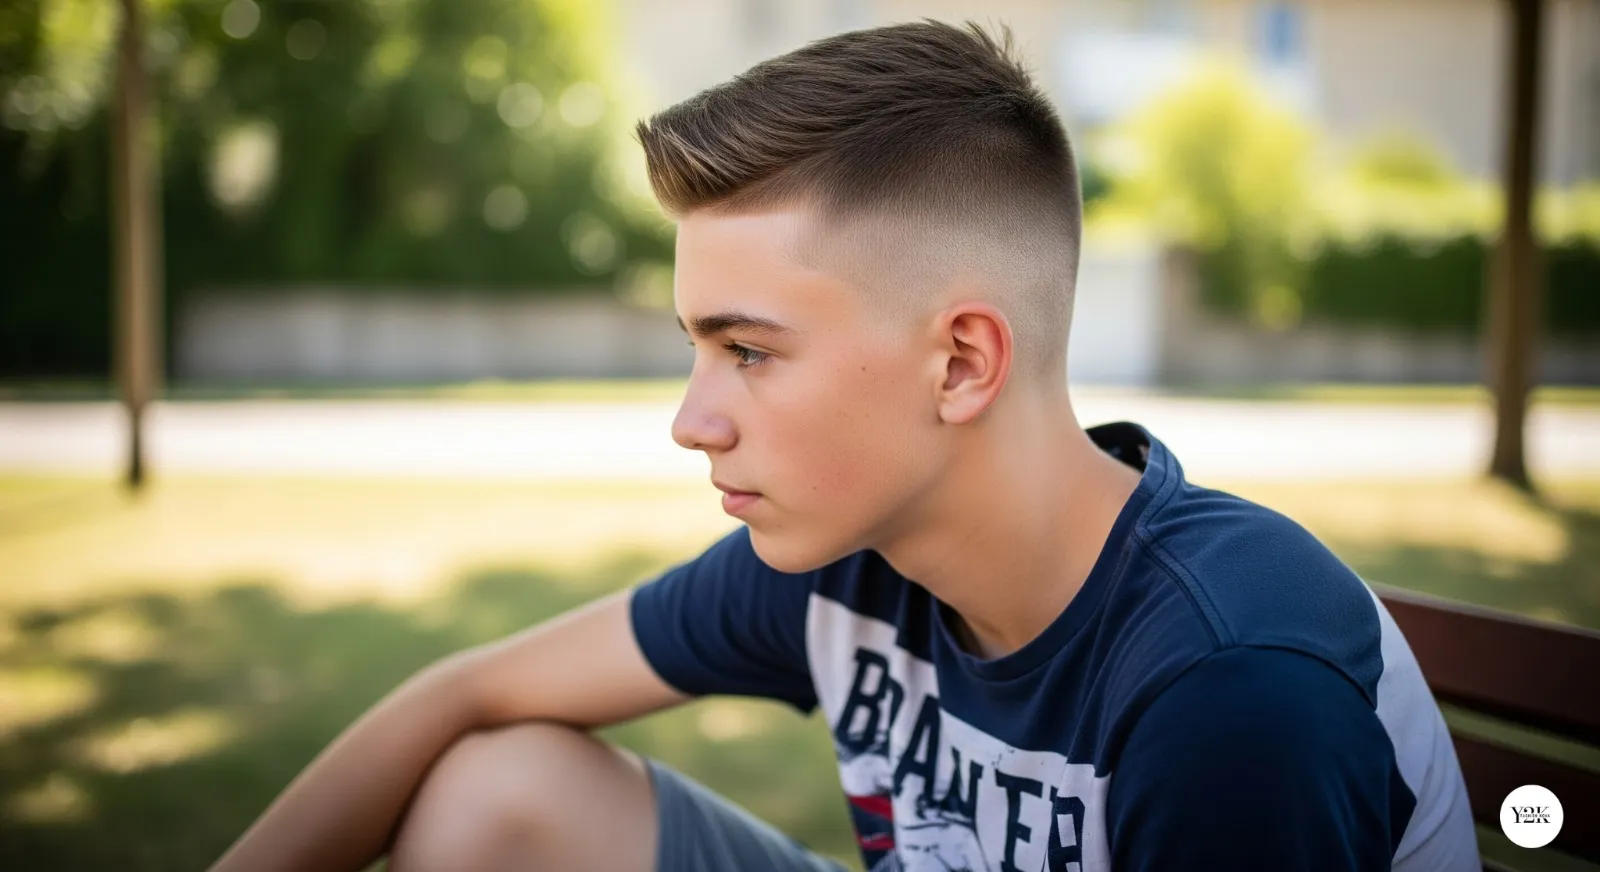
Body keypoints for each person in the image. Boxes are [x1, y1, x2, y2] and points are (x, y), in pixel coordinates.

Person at [210, 20, 1480, 872]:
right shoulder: (844, 558)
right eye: (697, 349)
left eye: (748, 351)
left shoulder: (1230, 683)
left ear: (962, 361)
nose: (693, 417)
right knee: (498, 791)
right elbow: (467, 695)